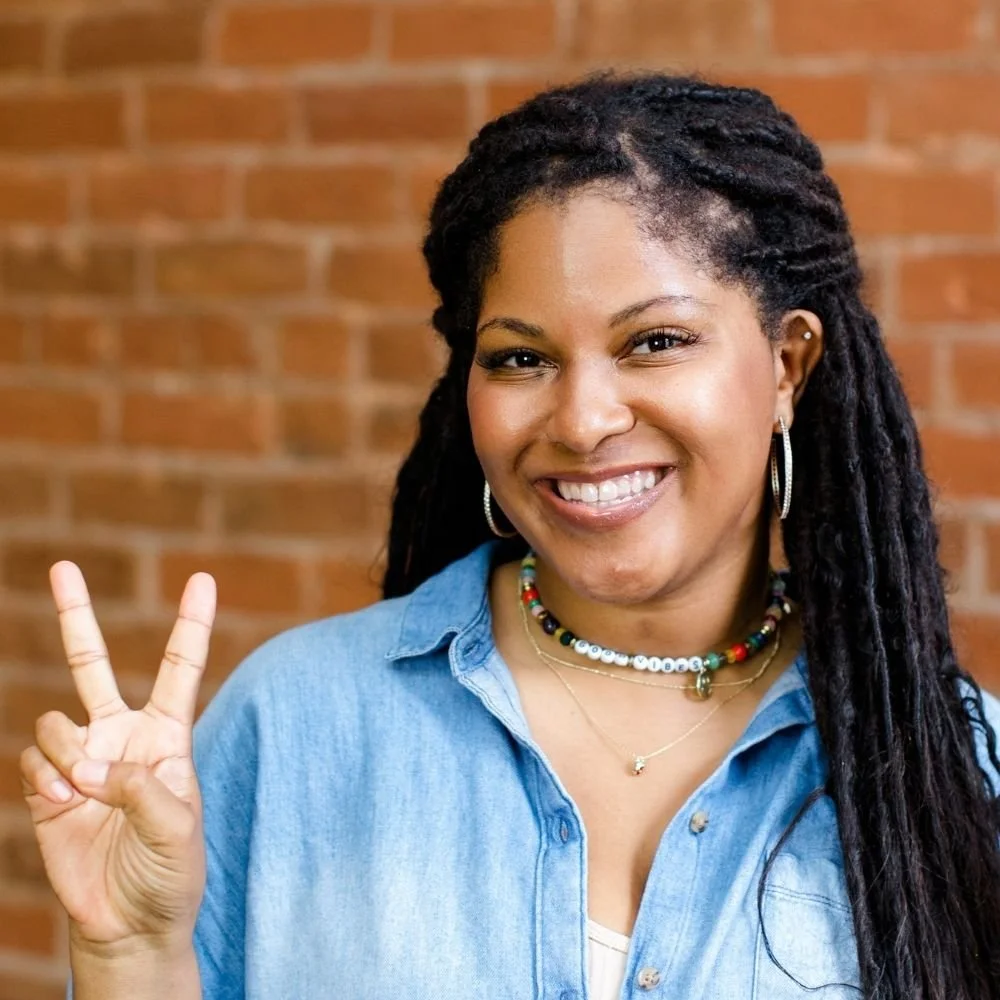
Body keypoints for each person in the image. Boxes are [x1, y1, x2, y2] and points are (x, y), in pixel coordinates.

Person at [17, 72, 1000, 1000]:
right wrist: (133, 952)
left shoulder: (953, 770)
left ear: (788, 364)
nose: (581, 420)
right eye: (521, 357)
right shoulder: (299, 725)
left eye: (652, 342)